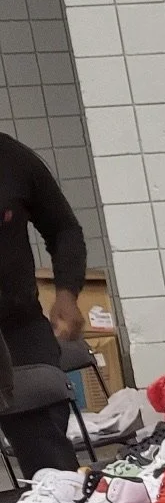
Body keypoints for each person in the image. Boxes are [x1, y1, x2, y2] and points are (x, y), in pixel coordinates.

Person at [0, 131, 87, 477]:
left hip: (18, 325)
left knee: (50, 461)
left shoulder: (11, 158)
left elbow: (64, 228)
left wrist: (67, 292)